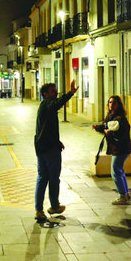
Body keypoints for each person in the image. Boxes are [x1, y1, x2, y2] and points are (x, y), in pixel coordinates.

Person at [34, 80, 78, 222]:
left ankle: (39, 210)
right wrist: (70, 93)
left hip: (41, 146)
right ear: (45, 94)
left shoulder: (44, 106)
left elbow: (46, 129)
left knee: (42, 178)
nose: (56, 94)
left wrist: (57, 141)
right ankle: (54, 206)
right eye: (53, 91)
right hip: (49, 149)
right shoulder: (48, 104)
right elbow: (56, 104)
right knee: (53, 178)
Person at [93, 95, 131, 205]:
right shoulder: (110, 116)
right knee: (119, 170)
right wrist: (98, 128)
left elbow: (120, 134)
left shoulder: (120, 118)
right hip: (116, 148)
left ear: (119, 105)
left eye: (114, 103)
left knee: (115, 171)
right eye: (110, 102)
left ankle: (122, 196)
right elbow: (106, 127)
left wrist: (109, 133)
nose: (111, 105)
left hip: (121, 148)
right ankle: (126, 194)